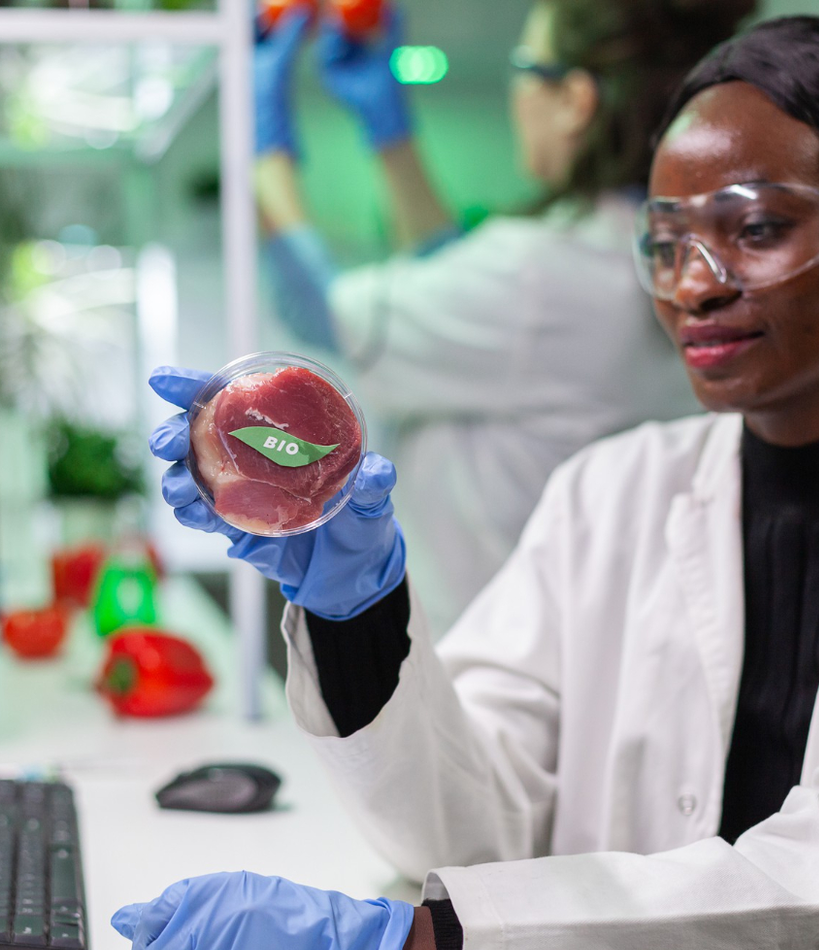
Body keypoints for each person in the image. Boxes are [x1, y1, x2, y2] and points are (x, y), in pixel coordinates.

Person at [125, 16, 819, 950]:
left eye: (756, 227)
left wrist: (416, 948)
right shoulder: (611, 492)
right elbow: (470, 826)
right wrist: (355, 617)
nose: (692, 284)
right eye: (665, 239)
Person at [255, 0, 752, 634]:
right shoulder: (647, 250)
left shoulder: (541, 274)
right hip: (587, 642)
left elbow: (316, 308)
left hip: (486, 656)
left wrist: (260, 138)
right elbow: (452, 289)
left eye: (524, 65)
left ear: (573, 99)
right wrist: (388, 132)